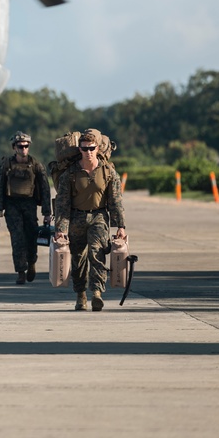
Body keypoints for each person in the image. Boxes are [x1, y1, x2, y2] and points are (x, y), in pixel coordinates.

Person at [54, 129, 127, 311]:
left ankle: (96, 293)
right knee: (78, 259)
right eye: (85, 149)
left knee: (98, 254)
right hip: (76, 217)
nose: (88, 152)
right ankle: (80, 295)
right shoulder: (70, 174)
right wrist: (61, 229)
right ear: (79, 149)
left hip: (99, 217)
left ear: (97, 149)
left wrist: (120, 226)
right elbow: (63, 203)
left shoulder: (108, 172)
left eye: (92, 148)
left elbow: (116, 201)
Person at [0, 131, 51, 285]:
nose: (23, 149)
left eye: (26, 146)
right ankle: (21, 271)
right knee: (17, 239)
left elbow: (45, 189)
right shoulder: (7, 165)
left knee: (31, 236)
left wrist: (47, 212)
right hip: (12, 205)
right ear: (14, 147)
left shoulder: (36, 164)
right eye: (20, 146)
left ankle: (31, 262)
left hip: (29, 204)